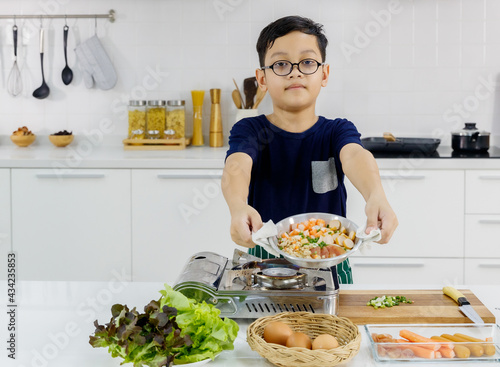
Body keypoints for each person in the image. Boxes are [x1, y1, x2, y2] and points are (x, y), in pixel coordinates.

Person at [221, 15, 398, 284]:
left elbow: (356, 156)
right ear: (262, 78)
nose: (295, 72)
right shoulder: (251, 130)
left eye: (307, 62)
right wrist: (237, 207)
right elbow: (237, 165)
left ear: (324, 74)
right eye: (280, 64)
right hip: (265, 264)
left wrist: (377, 196)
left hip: (330, 260)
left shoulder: (337, 130)